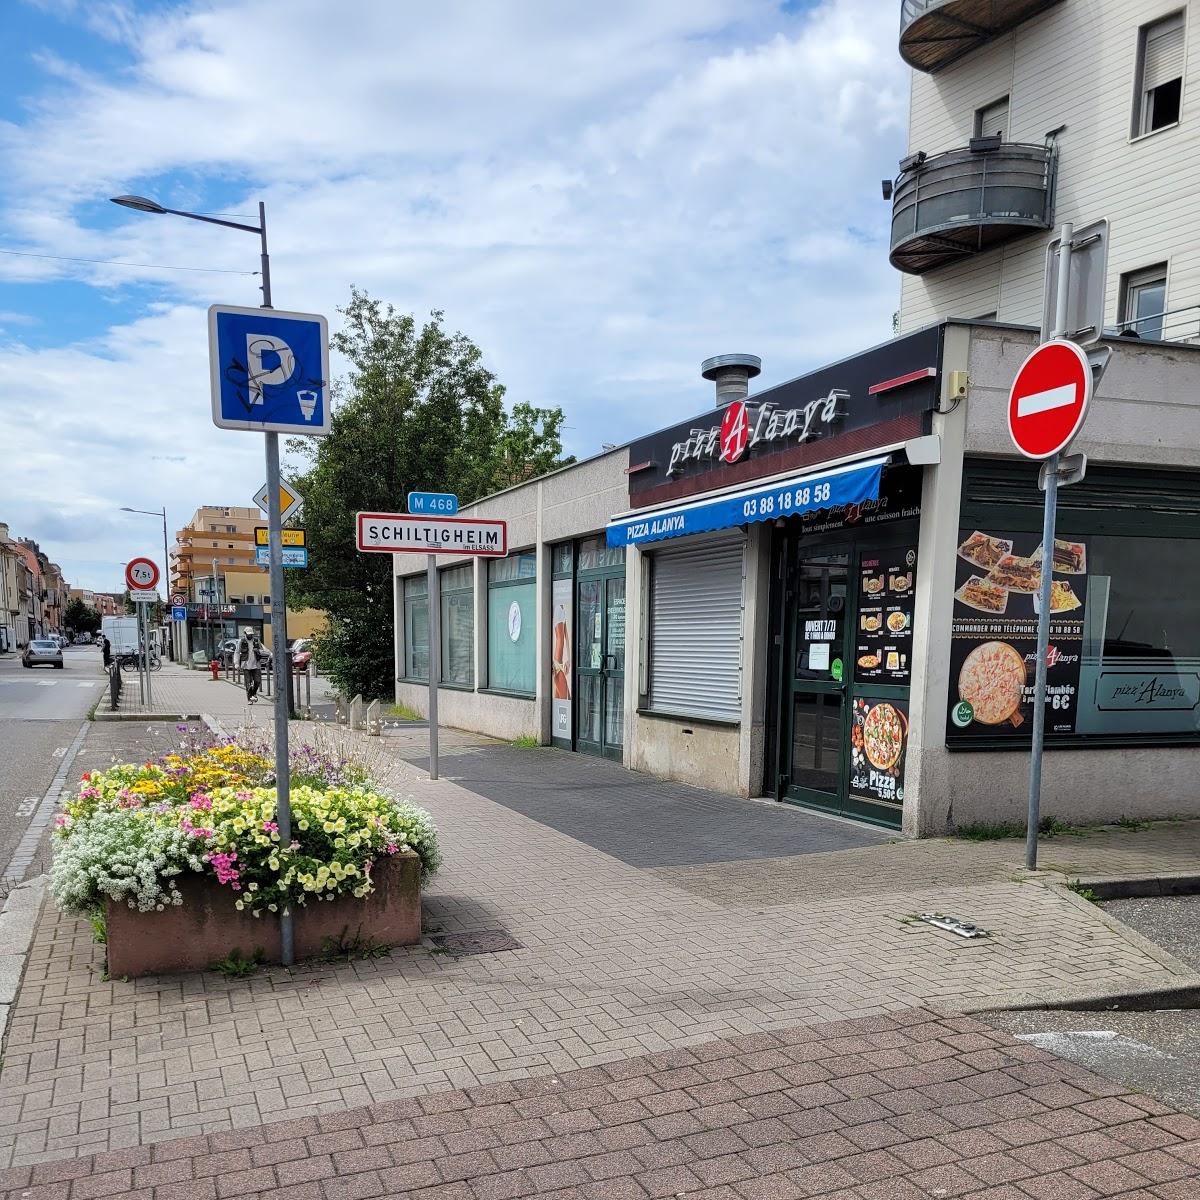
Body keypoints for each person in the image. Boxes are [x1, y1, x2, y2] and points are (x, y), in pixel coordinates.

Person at [235, 627, 265, 703]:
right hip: (246, 665)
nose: (250, 636)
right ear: (245, 633)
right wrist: (236, 663)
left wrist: (258, 650)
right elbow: (237, 652)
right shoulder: (241, 641)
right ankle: (249, 699)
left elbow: (262, 650)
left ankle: (254, 693)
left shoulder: (256, 640)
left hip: (256, 664)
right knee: (248, 683)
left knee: (257, 681)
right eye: (248, 634)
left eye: (251, 634)